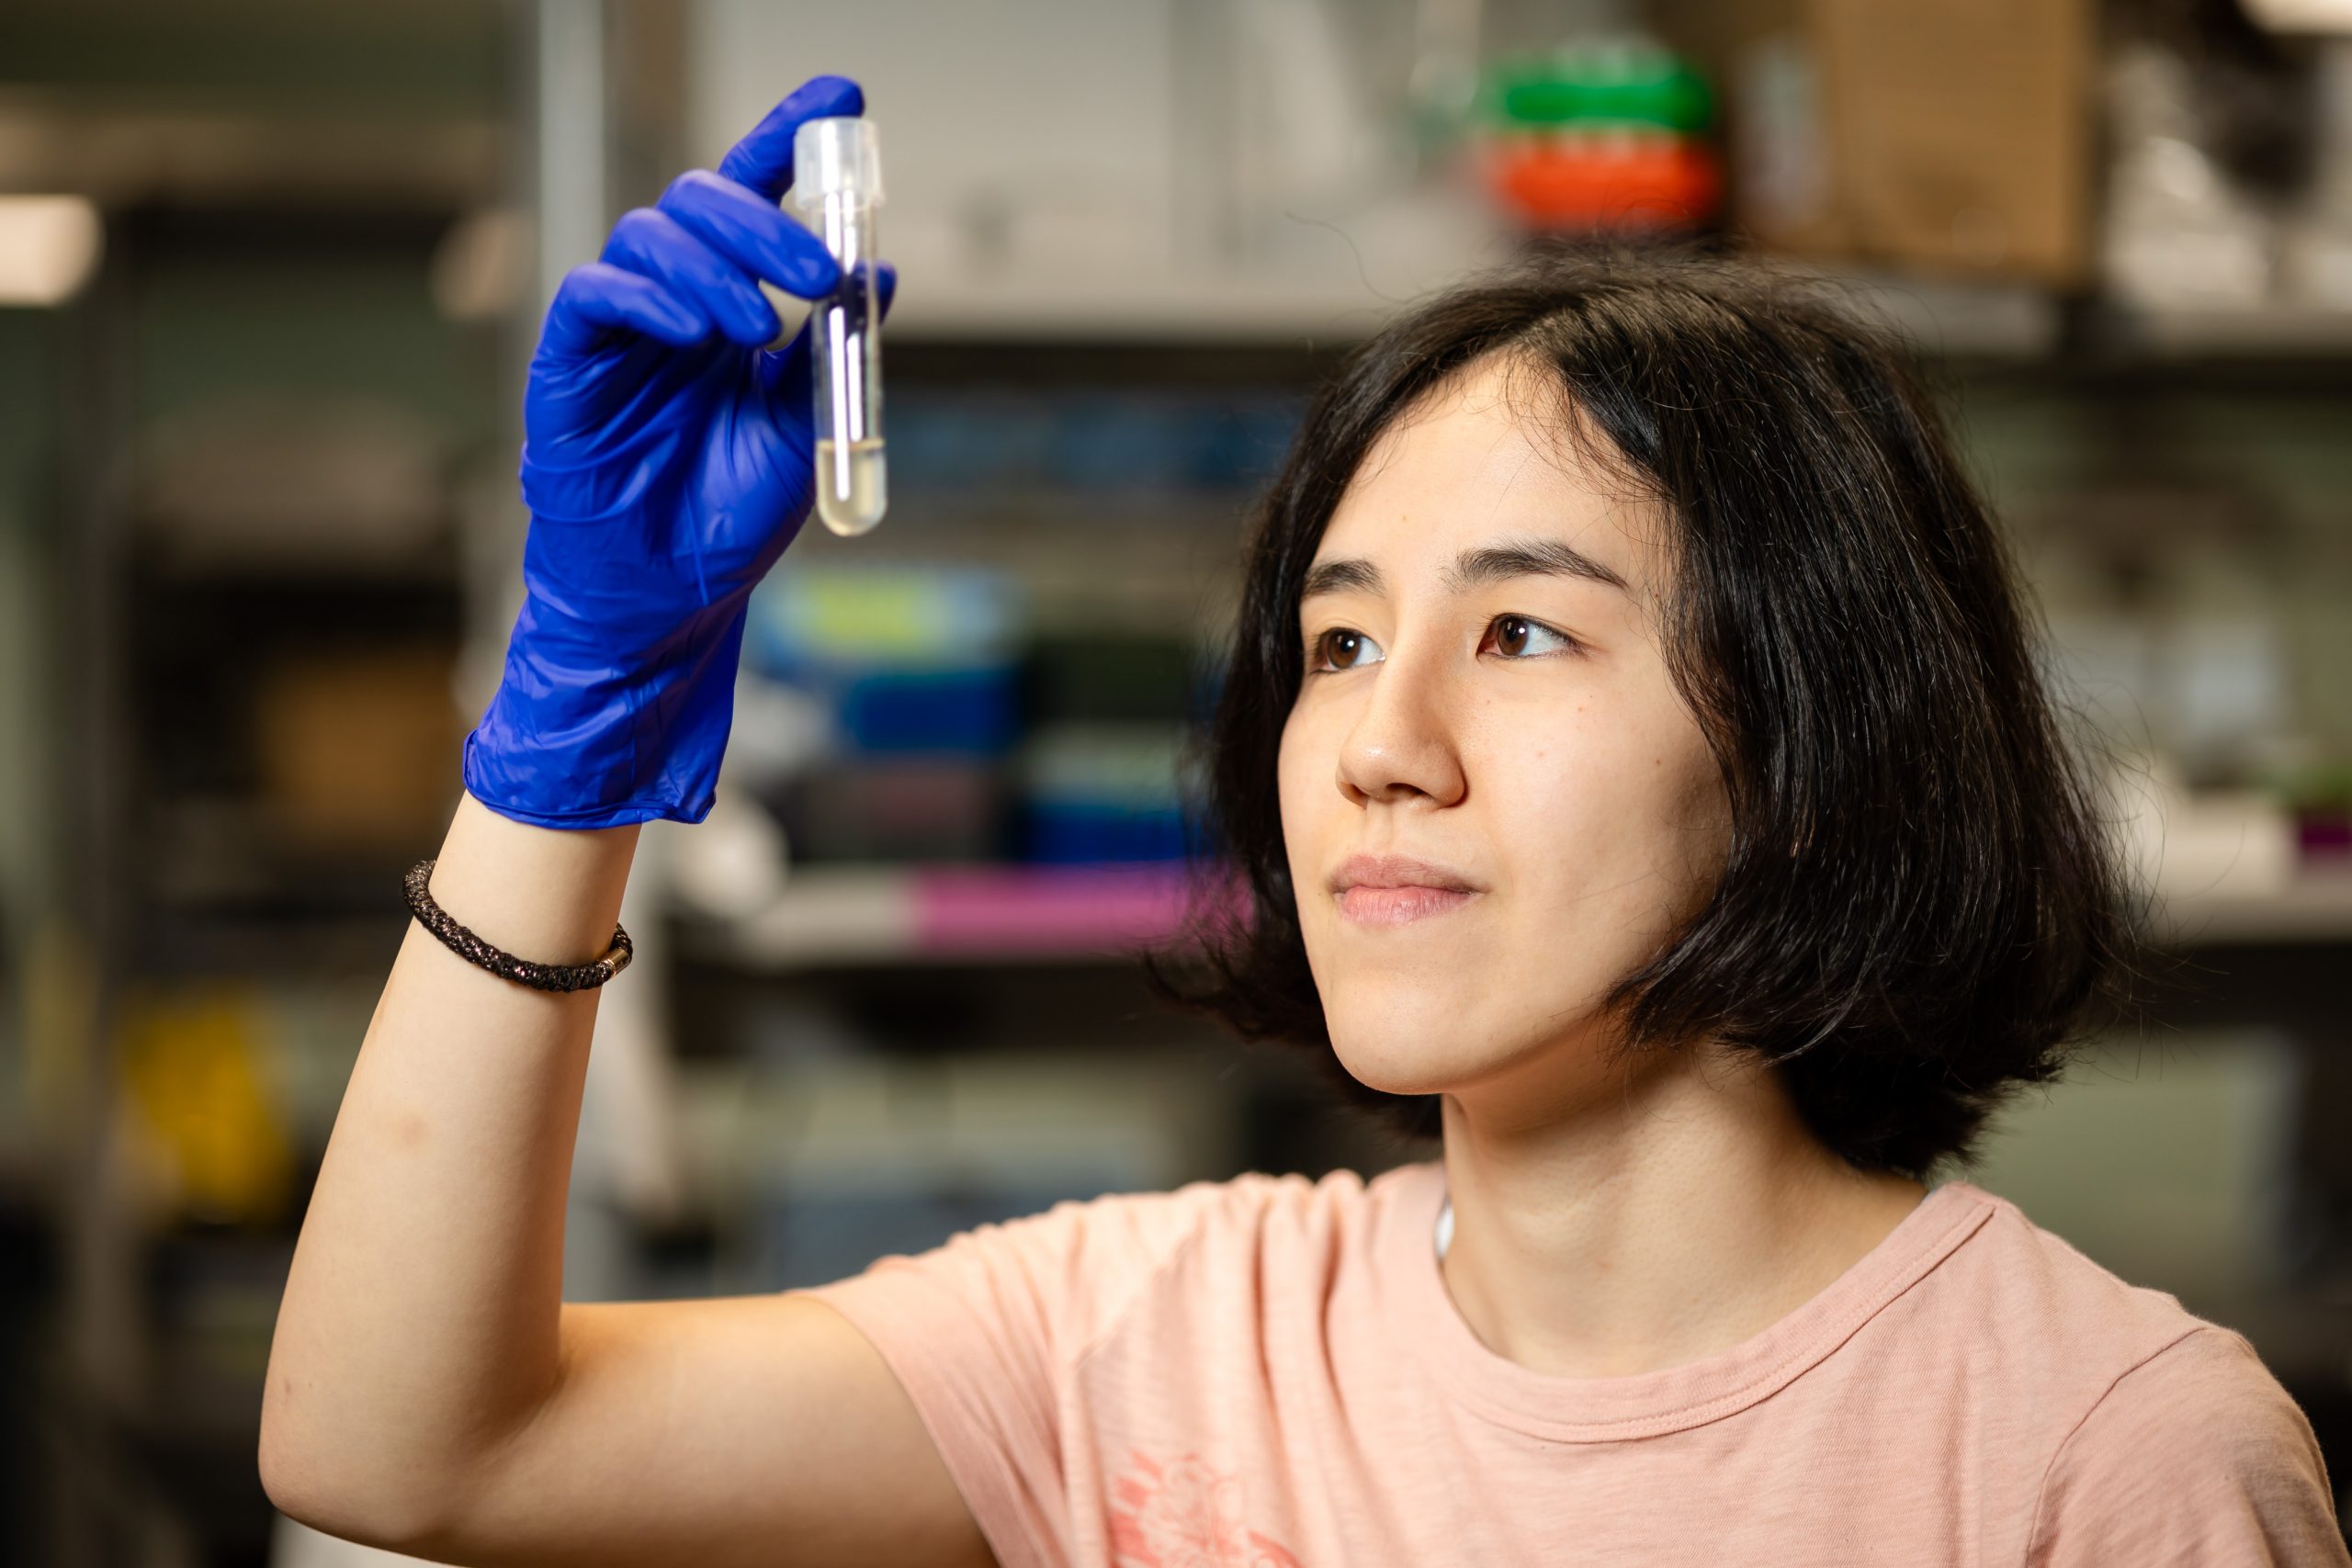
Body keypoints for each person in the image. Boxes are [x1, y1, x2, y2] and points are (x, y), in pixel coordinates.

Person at [257, 74, 2349, 1568]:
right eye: (1335, 646)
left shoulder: (2104, 1458)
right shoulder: (1155, 1345)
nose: (1379, 740)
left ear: (1806, 749)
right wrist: (568, 724)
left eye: (1520, 630)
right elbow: (399, 1443)